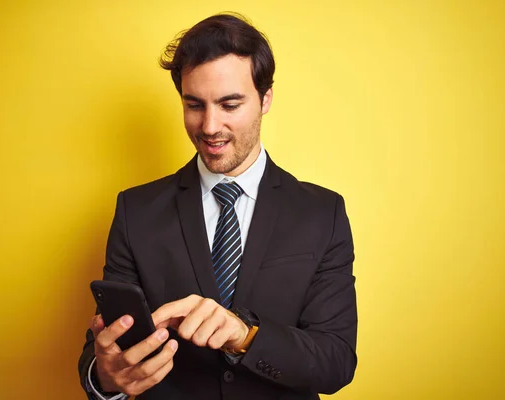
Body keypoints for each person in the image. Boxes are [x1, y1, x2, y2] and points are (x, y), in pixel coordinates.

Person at [78, 12, 357, 400]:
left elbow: (336, 362)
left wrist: (245, 336)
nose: (209, 126)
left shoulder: (322, 213)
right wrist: (105, 378)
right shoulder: (134, 210)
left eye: (229, 105)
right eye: (194, 105)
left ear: (265, 99)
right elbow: (103, 347)